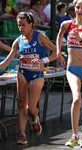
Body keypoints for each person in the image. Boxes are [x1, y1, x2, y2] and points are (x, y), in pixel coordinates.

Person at [0, 11, 56, 145]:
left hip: (37, 74)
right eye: (19, 25)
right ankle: (22, 134)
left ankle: (35, 119)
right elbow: (6, 62)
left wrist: (44, 60)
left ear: (31, 24)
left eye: (23, 25)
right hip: (22, 73)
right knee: (21, 104)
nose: (21, 28)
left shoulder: (40, 37)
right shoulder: (18, 41)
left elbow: (56, 51)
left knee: (31, 107)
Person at [56, 0, 82, 148]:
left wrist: (80, 39)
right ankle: (74, 135)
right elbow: (59, 36)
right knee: (76, 99)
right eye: (77, 7)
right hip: (72, 68)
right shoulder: (66, 25)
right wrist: (58, 52)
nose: (79, 10)